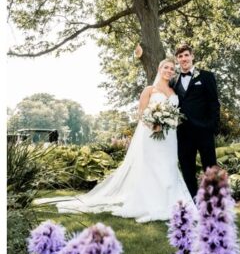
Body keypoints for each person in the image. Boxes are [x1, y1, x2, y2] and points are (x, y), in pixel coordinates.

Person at [50, 59, 192, 222]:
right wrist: (154, 125)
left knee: (168, 166)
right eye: (166, 67)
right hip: (151, 135)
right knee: (152, 167)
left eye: (172, 69)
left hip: (170, 137)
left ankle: (170, 201)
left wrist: (171, 121)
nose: (169, 70)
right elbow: (141, 113)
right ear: (159, 69)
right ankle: (150, 202)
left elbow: (175, 113)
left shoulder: (173, 91)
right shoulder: (150, 90)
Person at [172, 44, 220, 197]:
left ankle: (214, 201)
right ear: (177, 60)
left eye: (186, 55)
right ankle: (192, 201)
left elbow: (214, 103)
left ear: (192, 56)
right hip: (183, 133)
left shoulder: (206, 76)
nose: (183, 59)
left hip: (203, 131)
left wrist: (212, 126)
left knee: (210, 167)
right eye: (180, 56)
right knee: (187, 169)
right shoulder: (173, 81)